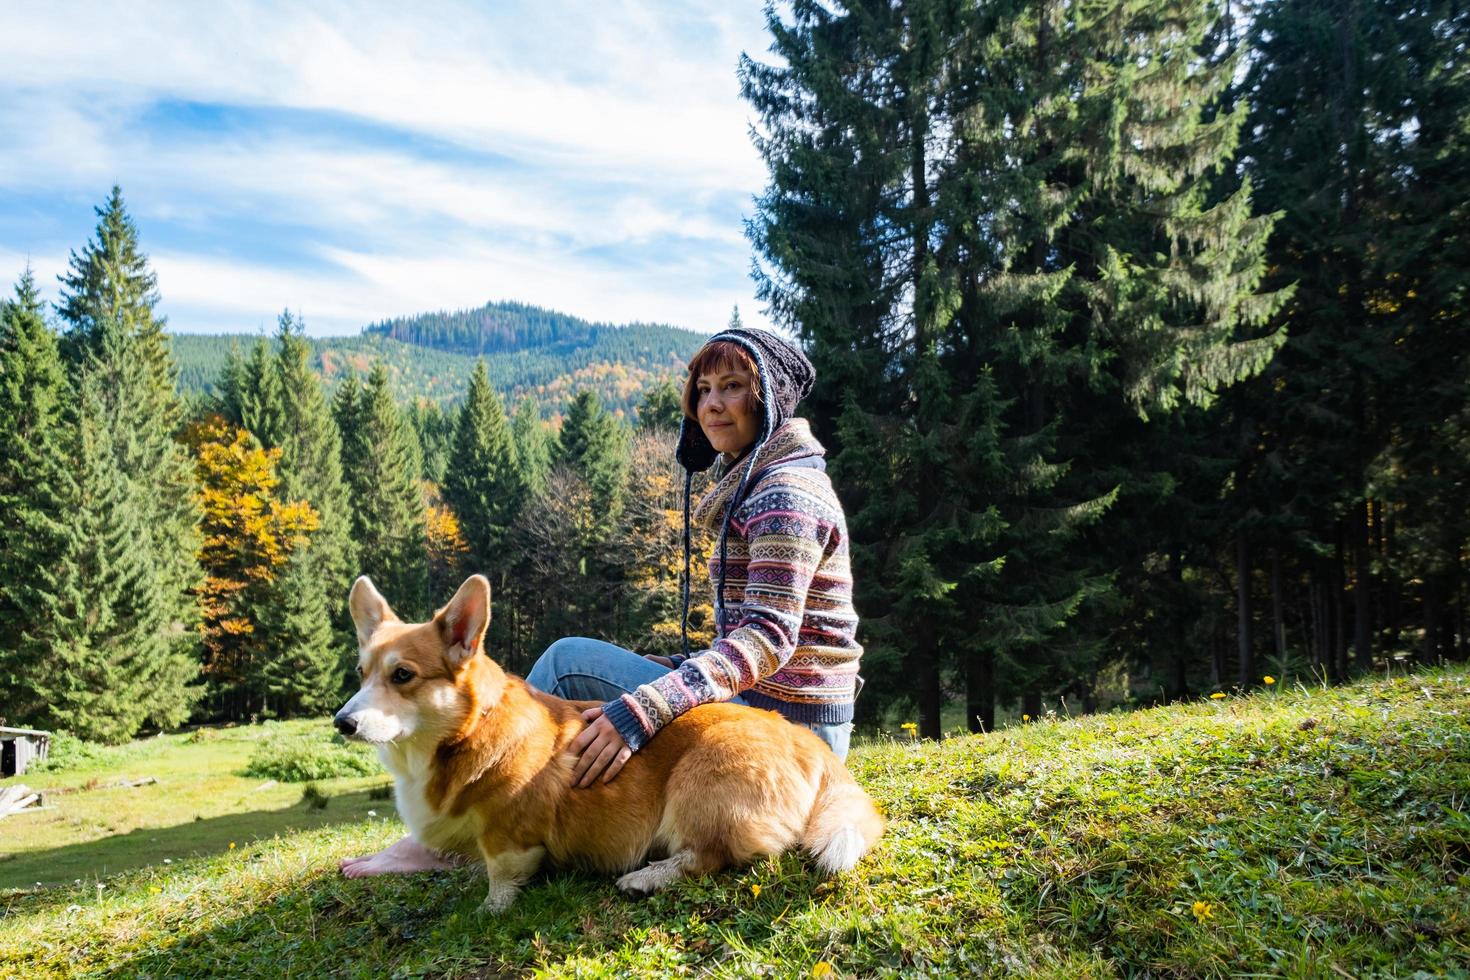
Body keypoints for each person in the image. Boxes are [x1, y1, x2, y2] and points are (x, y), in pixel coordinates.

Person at [340, 327, 863, 878]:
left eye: (732, 386)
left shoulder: (785, 495)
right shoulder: (759, 481)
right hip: (779, 710)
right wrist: (674, 672)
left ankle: (468, 833)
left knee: (566, 666)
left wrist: (644, 707)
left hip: (784, 726)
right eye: (703, 388)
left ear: (770, 397)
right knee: (585, 669)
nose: (712, 403)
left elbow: (766, 638)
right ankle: (507, 821)